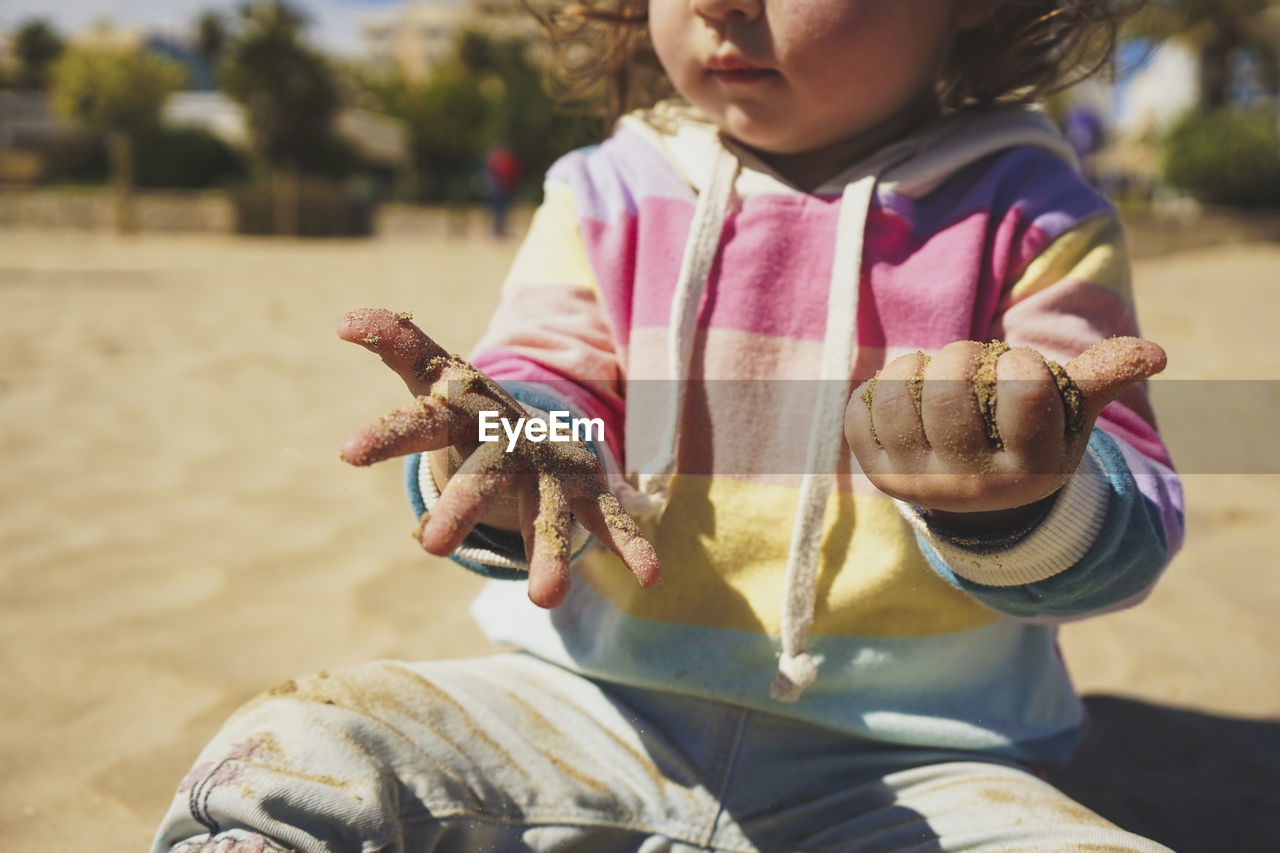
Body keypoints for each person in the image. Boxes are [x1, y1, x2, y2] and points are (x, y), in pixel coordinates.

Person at [153, 0, 1185, 850]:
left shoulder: (1038, 217)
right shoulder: (608, 188)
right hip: (583, 708)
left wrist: (1020, 495)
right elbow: (534, 388)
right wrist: (516, 455)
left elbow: (1128, 511)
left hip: (929, 758)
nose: (718, 7)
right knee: (302, 742)